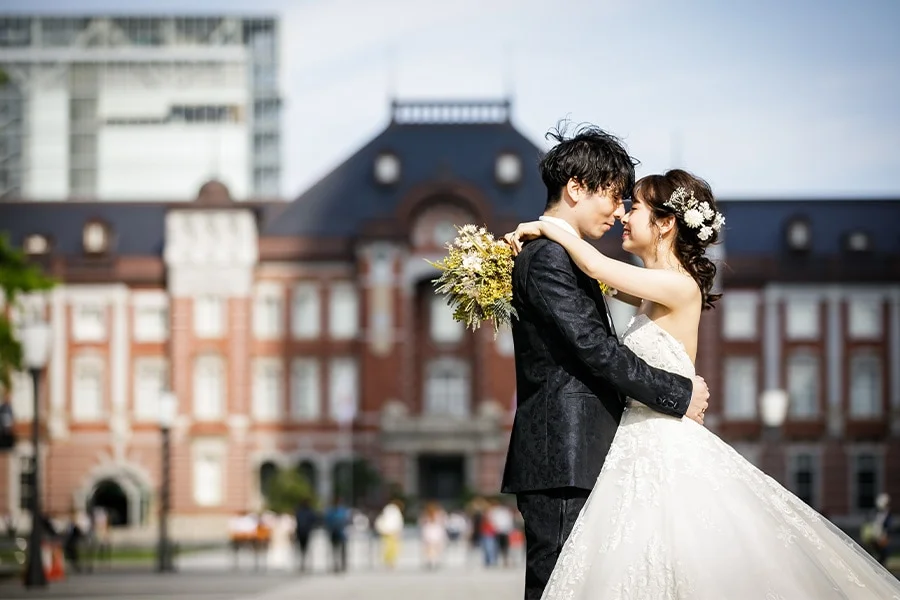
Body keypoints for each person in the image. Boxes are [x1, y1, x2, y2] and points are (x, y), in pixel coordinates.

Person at [506, 166, 900, 598]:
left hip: (660, 443)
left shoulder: (679, 286)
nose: (622, 216)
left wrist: (546, 227)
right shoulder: (651, 288)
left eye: (633, 208)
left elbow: (595, 264)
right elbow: (594, 280)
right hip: (635, 442)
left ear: (666, 223)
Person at [500, 124, 710, 600]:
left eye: (627, 203)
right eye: (615, 198)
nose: (619, 213)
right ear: (576, 188)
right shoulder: (550, 258)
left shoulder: (567, 256)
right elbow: (596, 348)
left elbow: (604, 283)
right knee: (559, 588)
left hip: (591, 454)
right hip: (564, 457)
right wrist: (680, 393)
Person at [323, 499, 351, 573]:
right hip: (334, 533)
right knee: (335, 550)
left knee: (342, 550)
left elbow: (346, 521)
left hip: (341, 533)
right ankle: (336, 564)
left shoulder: (341, 511)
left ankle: (342, 564)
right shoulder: (332, 511)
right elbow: (327, 522)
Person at [374, 500, 404, 569]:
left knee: (387, 547)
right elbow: (396, 522)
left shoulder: (388, 510)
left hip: (387, 531)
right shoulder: (394, 511)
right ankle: (390, 561)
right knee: (392, 547)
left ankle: (389, 561)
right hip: (392, 531)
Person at [293, 499, 318, 572]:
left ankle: (305, 563)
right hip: (300, 532)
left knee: (305, 548)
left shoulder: (308, 512)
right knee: (301, 548)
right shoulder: (300, 512)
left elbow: (313, 520)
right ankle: (302, 563)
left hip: (306, 532)